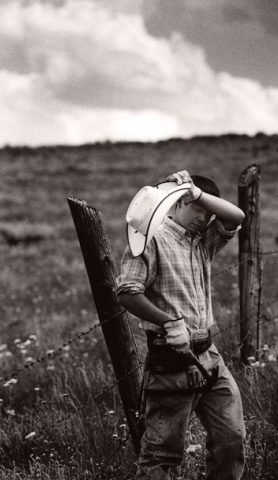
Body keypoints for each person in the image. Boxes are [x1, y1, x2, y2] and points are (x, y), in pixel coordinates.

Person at [116, 170, 246, 480]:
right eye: (194, 208)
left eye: (207, 212)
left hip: (210, 356)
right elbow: (127, 292)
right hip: (170, 362)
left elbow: (237, 216)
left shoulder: (202, 243)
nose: (203, 217)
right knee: (162, 455)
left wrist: (198, 195)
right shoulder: (151, 239)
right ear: (175, 205)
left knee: (231, 439)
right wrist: (169, 321)